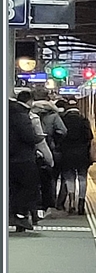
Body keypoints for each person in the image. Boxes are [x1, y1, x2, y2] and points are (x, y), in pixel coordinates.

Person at [9, 91, 44, 231]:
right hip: (23, 159)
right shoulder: (21, 115)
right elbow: (27, 136)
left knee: (14, 188)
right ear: (29, 101)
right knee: (29, 187)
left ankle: (17, 218)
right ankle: (19, 216)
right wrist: (38, 138)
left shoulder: (11, 113)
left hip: (11, 157)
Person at [29, 91, 66, 215]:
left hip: (32, 151)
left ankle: (35, 205)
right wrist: (56, 141)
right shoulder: (54, 115)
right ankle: (51, 203)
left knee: (34, 179)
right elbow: (63, 131)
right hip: (50, 149)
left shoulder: (30, 114)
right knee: (51, 177)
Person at [56, 100, 94, 215]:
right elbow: (90, 137)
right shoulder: (84, 121)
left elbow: (59, 136)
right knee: (82, 178)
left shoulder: (63, 120)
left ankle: (72, 202)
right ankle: (81, 203)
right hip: (82, 155)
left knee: (69, 178)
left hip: (67, 155)